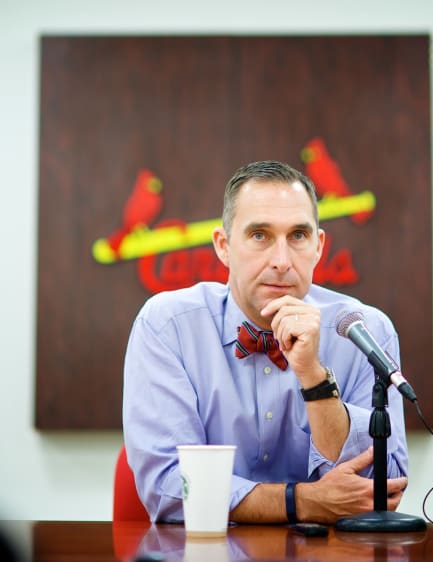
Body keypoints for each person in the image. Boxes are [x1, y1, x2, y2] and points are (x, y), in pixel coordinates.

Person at [123, 160, 408, 524]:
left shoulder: (364, 331)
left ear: (318, 247)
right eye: (259, 235)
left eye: (298, 236)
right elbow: (168, 488)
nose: (281, 261)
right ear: (223, 246)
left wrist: (313, 377)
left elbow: (381, 490)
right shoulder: (167, 326)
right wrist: (302, 502)